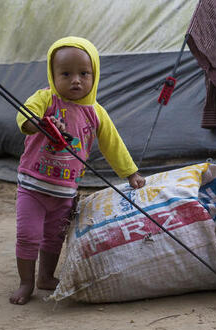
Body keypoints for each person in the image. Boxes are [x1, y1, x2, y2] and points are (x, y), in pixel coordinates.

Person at [10, 37, 145, 304]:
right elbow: (24, 117)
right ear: (53, 74)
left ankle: (45, 277)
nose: (76, 80)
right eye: (66, 74)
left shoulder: (95, 113)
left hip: (65, 192)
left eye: (84, 74)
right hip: (32, 187)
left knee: (53, 239)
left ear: (94, 75)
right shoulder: (45, 99)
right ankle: (26, 283)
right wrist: (39, 124)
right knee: (28, 235)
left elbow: (112, 145)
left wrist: (130, 173)